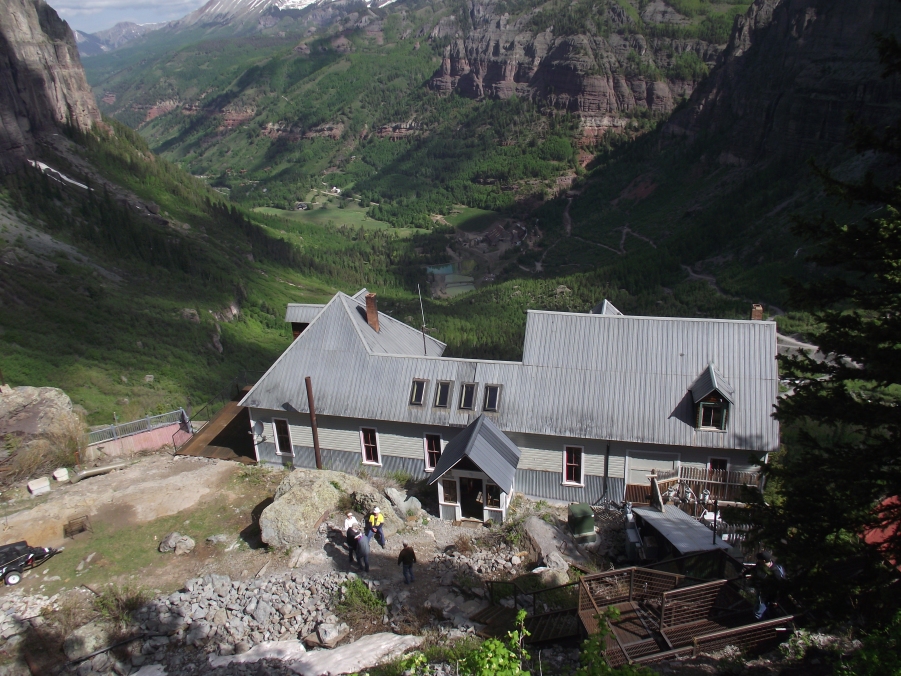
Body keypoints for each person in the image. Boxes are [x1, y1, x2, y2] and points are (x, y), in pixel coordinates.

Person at [753, 550, 786, 619]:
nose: (758, 560)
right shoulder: (760, 565)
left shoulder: (776, 572)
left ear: (764, 561)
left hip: (770, 594)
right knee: (763, 608)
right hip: (762, 590)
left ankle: (757, 624)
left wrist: (776, 599)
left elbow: (780, 585)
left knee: (759, 611)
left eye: (759, 559)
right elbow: (754, 569)